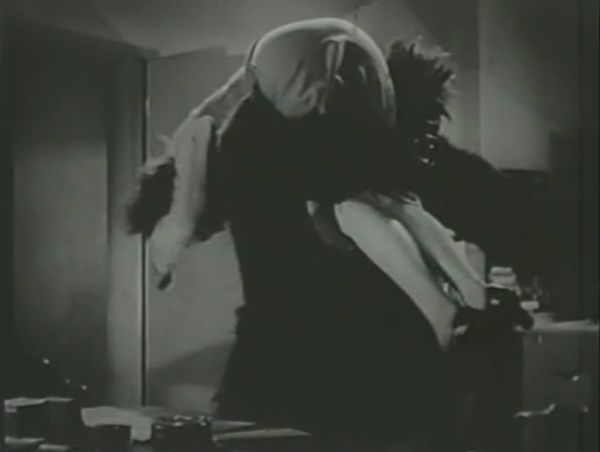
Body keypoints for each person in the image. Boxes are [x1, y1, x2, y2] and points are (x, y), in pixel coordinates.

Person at [127, 18, 531, 451]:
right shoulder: (287, 155)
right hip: (332, 370)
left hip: (329, 370)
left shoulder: (264, 150)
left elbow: (181, 207)